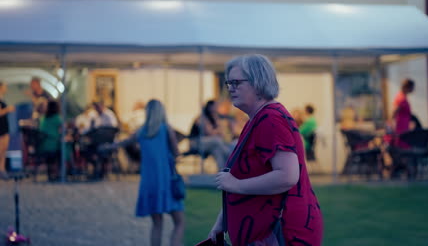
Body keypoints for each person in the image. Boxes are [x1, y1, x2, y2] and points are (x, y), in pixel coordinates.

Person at [209, 54, 323, 246]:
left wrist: (236, 185)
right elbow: (244, 174)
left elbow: (287, 175)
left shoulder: (271, 119)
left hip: (280, 232)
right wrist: (223, 221)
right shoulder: (258, 118)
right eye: (229, 83)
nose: (231, 89)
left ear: (258, 83)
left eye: (236, 82)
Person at [101, 99, 184, 246]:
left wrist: (108, 146)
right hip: (166, 183)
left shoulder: (141, 132)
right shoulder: (166, 129)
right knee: (179, 222)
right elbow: (177, 153)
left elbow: (123, 143)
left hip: (149, 184)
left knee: (157, 224)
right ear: (161, 112)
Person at [189, 100, 231, 170]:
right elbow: (209, 133)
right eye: (215, 106)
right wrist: (218, 131)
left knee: (217, 150)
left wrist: (216, 119)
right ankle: (229, 153)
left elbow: (221, 134)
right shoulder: (202, 118)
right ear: (209, 107)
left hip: (207, 143)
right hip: (196, 143)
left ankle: (222, 171)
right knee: (216, 140)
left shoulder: (214, 118)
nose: (217, 108)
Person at [38, 100, 62, 181]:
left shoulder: (43, 118)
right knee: (63, 150)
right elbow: (62, 130)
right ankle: (59, 173)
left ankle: (51, 174)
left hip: (42, 146)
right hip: (52, 145)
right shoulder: (57, 118)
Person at [0, 81, 15, 179]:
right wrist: (8, 109)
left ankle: (2, 169)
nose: (6, 88)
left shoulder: (2, 99)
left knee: (4, 150)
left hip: (4, 127)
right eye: (5, 86)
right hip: (1, 127)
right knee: (1, 150)